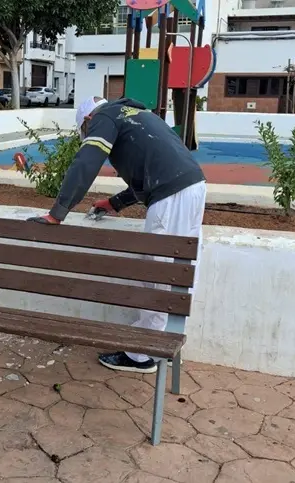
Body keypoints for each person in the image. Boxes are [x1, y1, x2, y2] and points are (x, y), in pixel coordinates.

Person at [27, 96, 207, 374]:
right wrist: (115, 203)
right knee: (170, 270)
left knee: (158, 272)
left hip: (171, 194)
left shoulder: (104, 117)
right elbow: (149, 169)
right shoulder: (133, 113)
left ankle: (143, 354)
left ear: (88, 121)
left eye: (86, 132)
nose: (89, 135)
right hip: (192, 186)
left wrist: (57, 212)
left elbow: (87, 161)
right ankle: (157, 343)